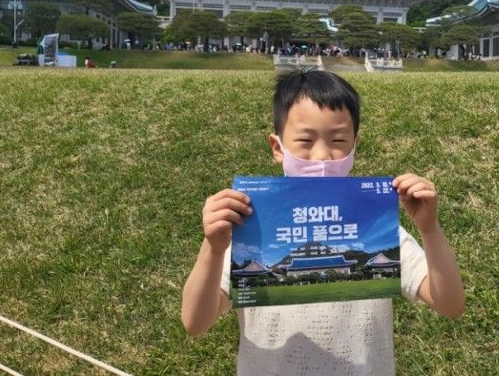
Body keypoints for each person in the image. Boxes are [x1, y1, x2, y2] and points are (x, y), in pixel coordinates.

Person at [181, 69, 464, 375]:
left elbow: (449, 304)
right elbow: (196, 322)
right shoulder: (249, 227)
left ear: (356, 143)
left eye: (338, 140)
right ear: (278, 147)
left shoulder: (378, 227)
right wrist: (213, 247)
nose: (322, 156)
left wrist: (429, 229)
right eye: (305, 140)